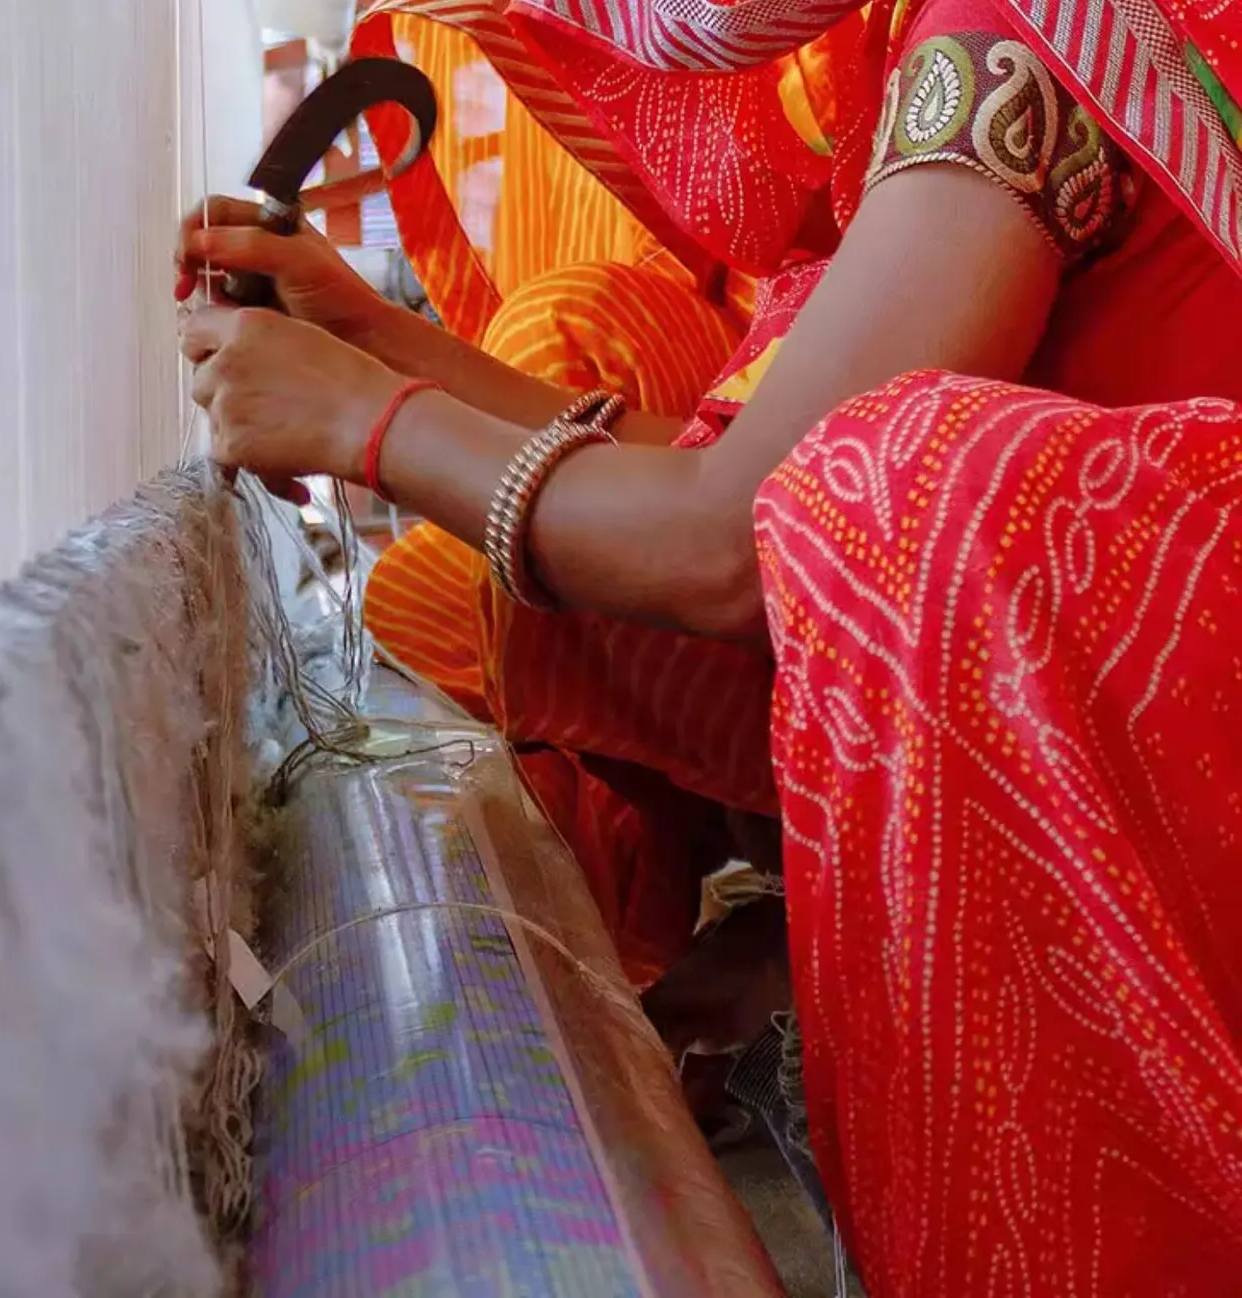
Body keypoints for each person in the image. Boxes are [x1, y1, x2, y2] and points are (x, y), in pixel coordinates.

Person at [176, 0, 1242, 1291]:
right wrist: (376, 342)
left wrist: (375, 425)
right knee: (551, 568)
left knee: (899, 495)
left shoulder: (1010, 37)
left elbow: (748, 532)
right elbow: (732, 464)